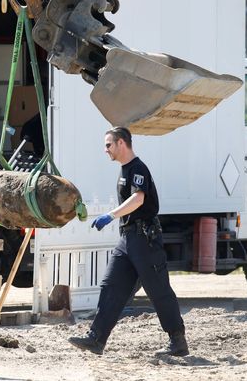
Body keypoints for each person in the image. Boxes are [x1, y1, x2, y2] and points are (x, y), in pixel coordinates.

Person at [68, 126, 189, 357]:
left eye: (108, 145)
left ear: (121, 143)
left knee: (158, 290)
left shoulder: (137, 168)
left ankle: (177, 341)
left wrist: (111, 215)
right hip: (128, 238)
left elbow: (138, 199)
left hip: (145, 239)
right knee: (110, 285)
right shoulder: (124, 169)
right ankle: (96, 339)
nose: (105, 150)